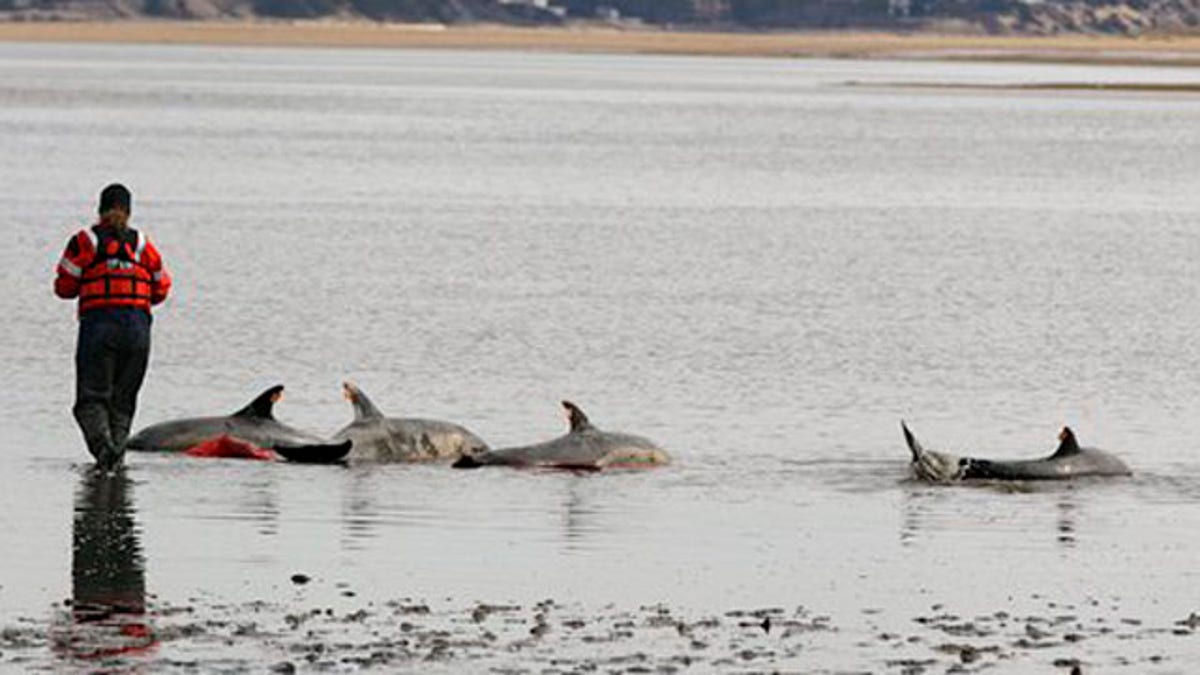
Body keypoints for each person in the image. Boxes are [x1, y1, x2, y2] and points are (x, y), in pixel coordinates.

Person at [54, 184, 171, 468]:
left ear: (100, 211)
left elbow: (64, 287)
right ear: (129, 212)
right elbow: (162, 289)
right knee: (123, 403)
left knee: (91, 401)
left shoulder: (85, 240)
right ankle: (115, 462)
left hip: (99, 326)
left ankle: (104, 453)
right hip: (137, 330)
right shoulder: (143, 244)